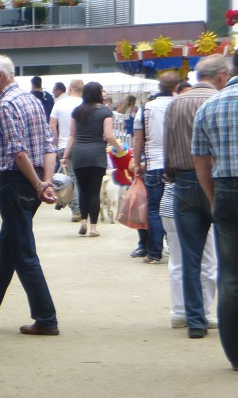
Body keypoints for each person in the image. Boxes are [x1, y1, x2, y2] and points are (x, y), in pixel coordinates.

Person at [0, 54, 61, 336]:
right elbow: (49, 145)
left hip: (17, 181)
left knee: (21, 251)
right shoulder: (32, 100)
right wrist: (44, 182)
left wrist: (39, 184)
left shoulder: (8, 104)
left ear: (0, 76)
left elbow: (18, 151)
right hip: (32, 181)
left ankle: (46, 317)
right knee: (10, 248)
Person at [165, 54, 228, 337]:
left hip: (185, 181)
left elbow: (167, 143)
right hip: (219, 179)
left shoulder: (175, 103)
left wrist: (170, 175)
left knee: (189, 255)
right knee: (225, 253)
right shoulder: (220, 101)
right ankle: (225, 314)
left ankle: (195, 320)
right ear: (221, 76)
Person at [191, 55, 238, 370]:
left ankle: (235, 355)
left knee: (231, 276)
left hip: (225, 190)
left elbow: (201, 161)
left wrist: (212, 198)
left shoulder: (210, 106)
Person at [61, 81, 126, 237]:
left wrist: (64, 156)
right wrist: (120, 147)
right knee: (94, 192)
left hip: (79, 154)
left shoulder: (77, 111)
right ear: (98, 93)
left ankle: (83, 222)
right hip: (97, 154)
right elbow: (108, 136)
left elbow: (72, 136)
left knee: (82, 190)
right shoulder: (105, 112)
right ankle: (93, 228)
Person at [131, 71, 179, 264]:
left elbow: (137, 138)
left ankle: (154, 253)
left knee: (155, 210)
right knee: (177, 209)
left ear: (159, 86)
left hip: (153, 164)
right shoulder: (180, 104)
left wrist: (136, 162)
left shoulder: (146, 108)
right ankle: (176, 251)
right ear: (176, 87)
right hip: (178, 164)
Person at [50, 78, 84, 221]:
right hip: (83, 144)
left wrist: (57, 142)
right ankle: (82, 208)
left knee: (71, 178)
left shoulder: (60, 103)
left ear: (70, 88)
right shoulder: (85, 104)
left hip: (64, 145)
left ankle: (76, 209)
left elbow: (52, 125)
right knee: (81, 178)